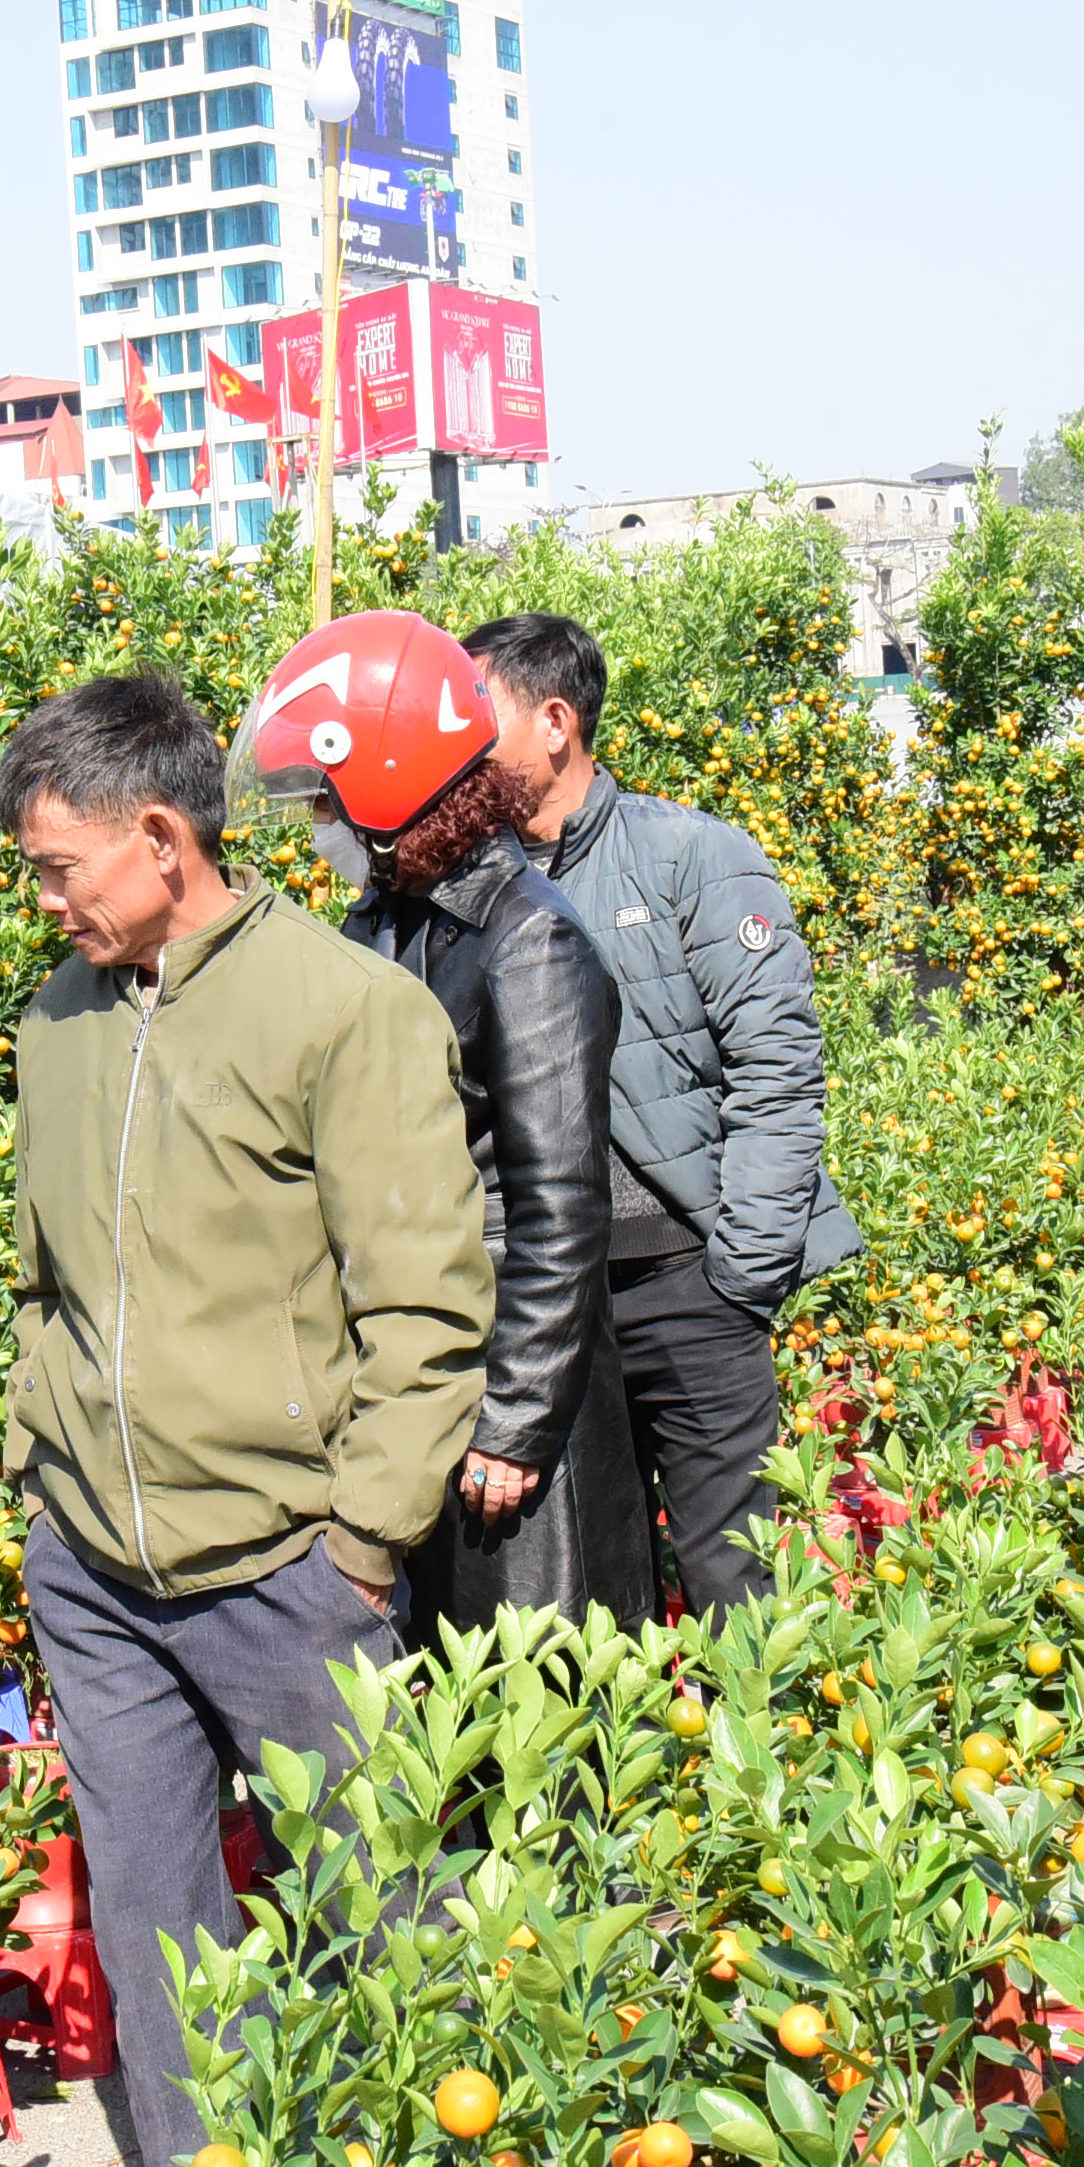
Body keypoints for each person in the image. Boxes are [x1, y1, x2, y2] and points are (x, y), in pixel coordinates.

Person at [0, 668, 490, 2167]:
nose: (49, 902)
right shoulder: (58, 1024)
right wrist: (42, 1475)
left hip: (288, 1563)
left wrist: (361, 1543)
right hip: (96, 1562)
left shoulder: (345, 1011)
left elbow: (426, 1301)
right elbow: (42, 1279)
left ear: (159, 835)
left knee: (375, 1893)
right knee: (152, 1908)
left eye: (61, 868)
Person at [247, 611, 651, 1635]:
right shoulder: (388, 918)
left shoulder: (527, 946)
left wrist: (514, 1425)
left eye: (326, 802)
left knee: (534, 1734)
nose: (318, 827)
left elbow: (559, 1213)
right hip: (415, 1367)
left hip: (510, 1397)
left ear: (384, 782)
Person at [466, 612, 862, 1616]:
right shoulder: (475, 884)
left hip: (691, 1284)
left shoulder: (692, 855)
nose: (461, 744)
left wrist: (742, 1271)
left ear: (555, 721)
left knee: (738, 1582)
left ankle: (756, 1773)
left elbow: (777, 1067)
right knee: (592, 1588)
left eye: (482, 716)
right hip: (550, 1304)